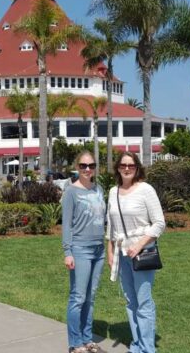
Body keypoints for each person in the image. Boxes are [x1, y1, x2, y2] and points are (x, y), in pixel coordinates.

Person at [106, 152, 165, 353]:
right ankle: (137, 345)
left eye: (131, 165)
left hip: (142, 253)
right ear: (118, 168)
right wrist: (110, 251)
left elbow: (159, 224)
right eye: (123, 165)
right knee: (131, 301)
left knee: (144, 301)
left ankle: (148, 348)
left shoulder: (145, 190)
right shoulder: (113, 192)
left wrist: (139, 244)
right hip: (122, 254)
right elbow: (111, 226)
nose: (127, 168)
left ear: (137, 167)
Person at [61, 151, 106, 353]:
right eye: (83, 166)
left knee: (90, 297)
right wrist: (67, 251)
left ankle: (87, 339)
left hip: (99, 249)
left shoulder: (99, 189)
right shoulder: (71, 191)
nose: (88, 169)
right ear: (77, 167)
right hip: (80, 249)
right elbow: (66, 224)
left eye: (91, 165)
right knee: (78, 297)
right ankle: (75, 343)